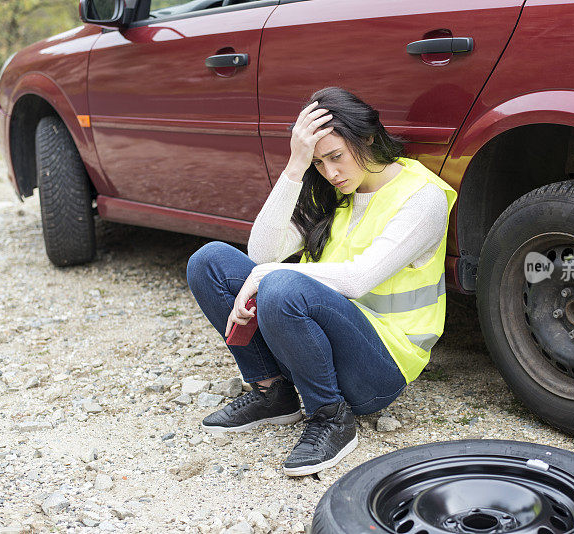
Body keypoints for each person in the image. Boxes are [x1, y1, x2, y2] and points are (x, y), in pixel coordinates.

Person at [186, 87, 457, 476]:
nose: (330, 172)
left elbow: (359, 278)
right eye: (319, 162)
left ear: (367, 138)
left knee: (281, 286)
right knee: (209, 261)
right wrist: (295, 166)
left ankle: (331, 417)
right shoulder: (333, 191)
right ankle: (273, 394)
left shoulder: (421, 198)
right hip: (321, 344)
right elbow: (261, 252)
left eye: (336, 156)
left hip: (381, 365)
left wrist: (267, 276)